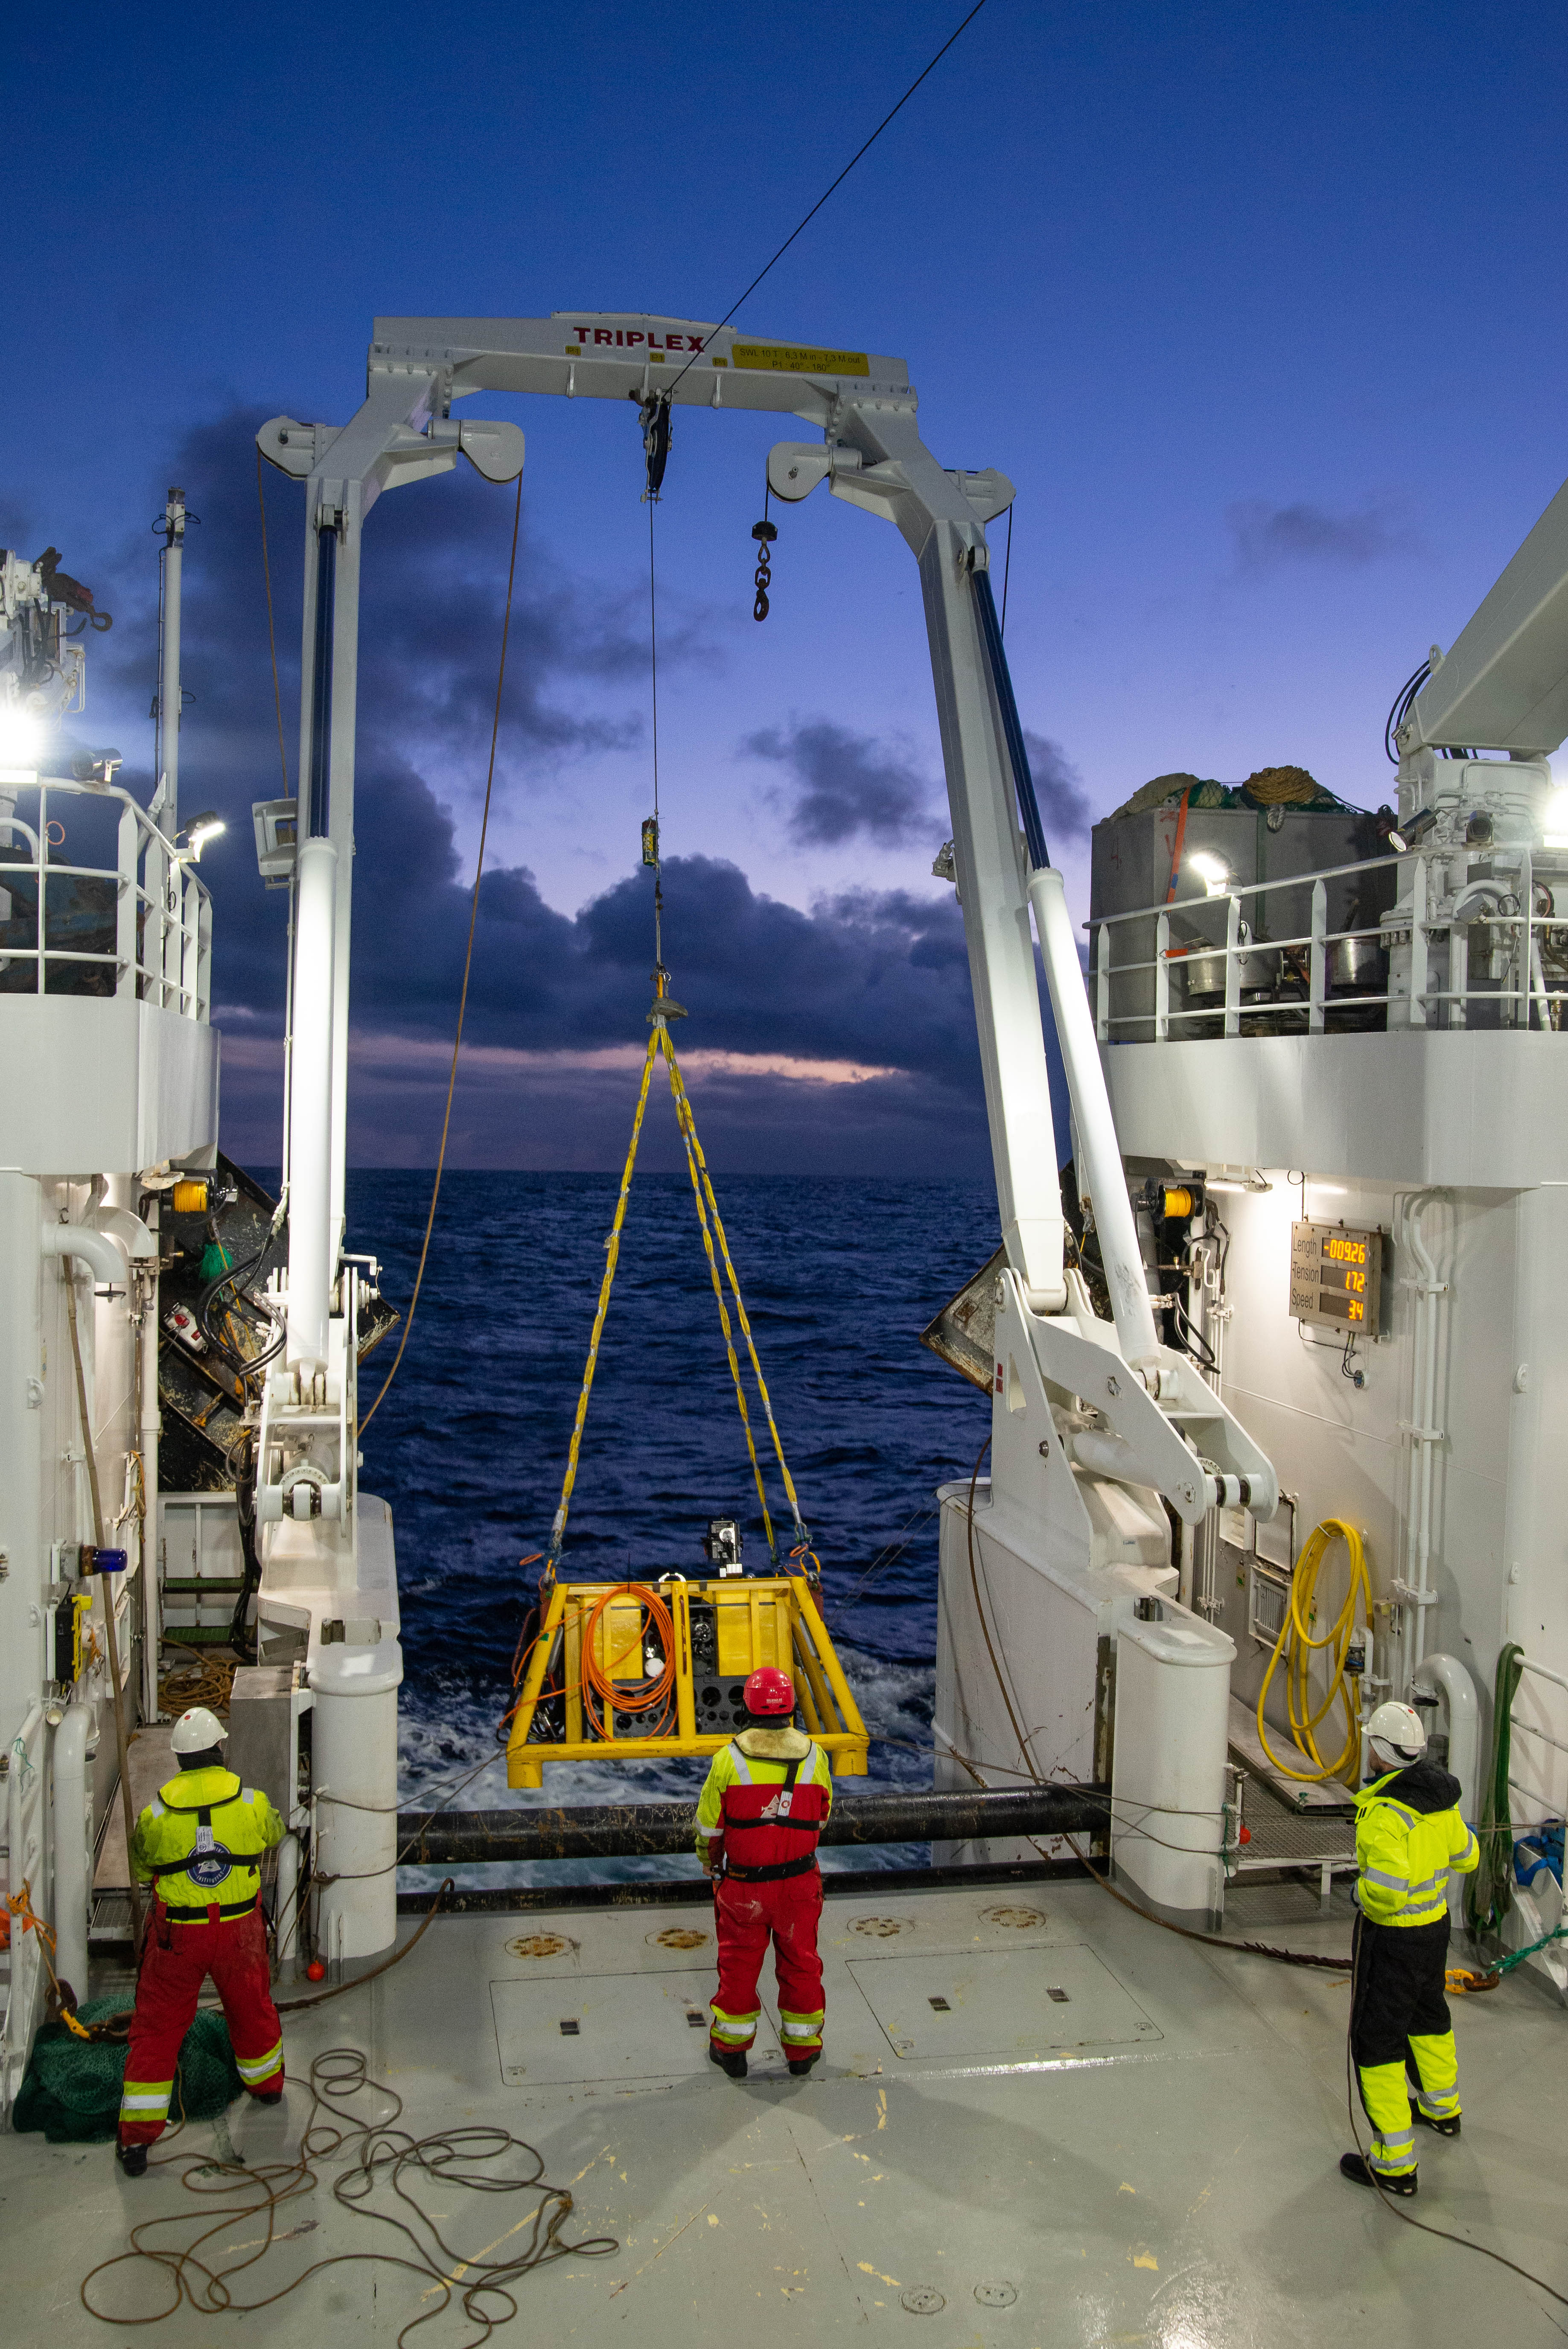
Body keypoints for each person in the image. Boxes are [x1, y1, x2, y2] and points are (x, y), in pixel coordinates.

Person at [116, 1705, 286, 2176]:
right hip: (239, 1933)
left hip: (178, 1938)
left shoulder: (156, 1812)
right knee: (251, 2007)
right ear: (219, 1750)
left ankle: (136, 2143)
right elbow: (272, 1831)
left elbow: (141, 1862)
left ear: (179, 1759)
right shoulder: (250, 1801)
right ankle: (268, 2085)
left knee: (157, 2031)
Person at [1340, 1699, 1479, 2196]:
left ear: (1377, 1751)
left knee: (1376, 2041)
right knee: (1427, 2015)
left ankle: (1394, 2162)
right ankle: (1442, 2109)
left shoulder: (1382, 1813)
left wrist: (1356, 1892)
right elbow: (1467, 1855)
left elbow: (1384, 1892)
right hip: (1434, 1930)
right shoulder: (1439, 1799)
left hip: (1394, 1937)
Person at [694, 1666, 833, 2080]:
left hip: (743, 1887)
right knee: (801, 1964)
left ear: (747, 1705)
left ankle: (732, 2051)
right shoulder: (814, 1754)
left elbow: (709, 1826)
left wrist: (710, 1858)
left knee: (738, 1966)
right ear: (790, 1705)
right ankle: (802, 2051)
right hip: (798, 1884)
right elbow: (822, 1817)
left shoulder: (728, 1758)